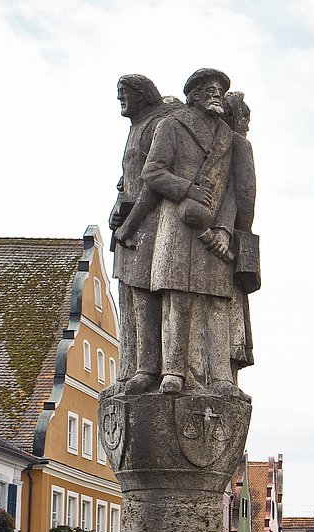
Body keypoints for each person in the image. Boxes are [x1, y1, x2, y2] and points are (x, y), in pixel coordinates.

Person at [123, 67, 257, 397]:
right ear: (193, 95)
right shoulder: (172, 125)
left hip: (212, 229)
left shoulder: (228, 137)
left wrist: (224, 228)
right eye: (208, 88)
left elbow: (231, 193)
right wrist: (186, 189)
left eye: (220, 90)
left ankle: (221, 377)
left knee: (216, 300)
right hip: (175, 224)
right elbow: (152, 172)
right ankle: (172, 372)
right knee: (175, 297)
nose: (215, 94)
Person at [109, 74, 179, 394]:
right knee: (128, 296)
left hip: (146, 223)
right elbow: (127, 179)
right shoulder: (135, 127)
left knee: (145, 296)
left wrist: (132, 222)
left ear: (141, 94)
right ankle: (130, 366)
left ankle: (149, 367)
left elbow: (153, 183)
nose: (120, 99)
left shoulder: (157, 125)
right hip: (127, 223)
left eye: (124, 93)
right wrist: (116, 205)